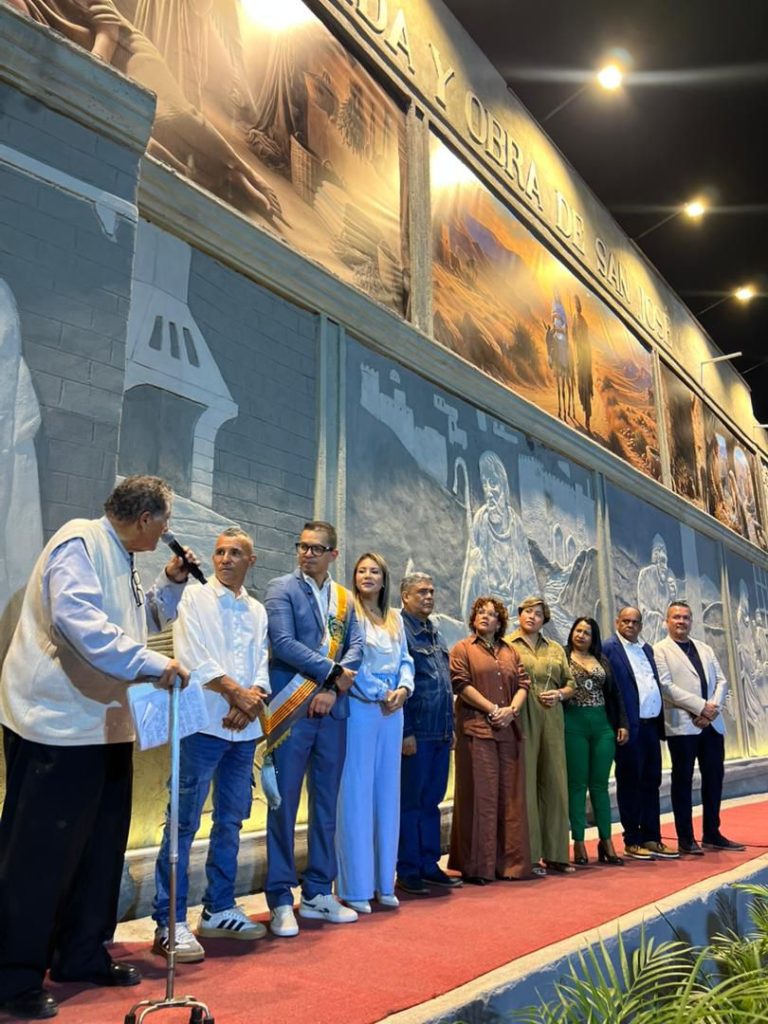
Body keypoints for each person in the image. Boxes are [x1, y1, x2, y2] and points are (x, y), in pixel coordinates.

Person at [0, 476, 193, 1021]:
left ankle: (80, 953)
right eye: (165, 523)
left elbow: (133, 624)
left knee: (98, 850)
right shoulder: (79, 541)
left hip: (104, 725)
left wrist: (169, 586)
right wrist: (154, 665)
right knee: (39, 857)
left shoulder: (121, 554)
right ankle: (13, 976)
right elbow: (79, 624)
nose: (166, 533)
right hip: (56, 726)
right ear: (144, 518)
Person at [151, 528, 270, 962]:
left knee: (231, 821)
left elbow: (261, 661)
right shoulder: (194, 598)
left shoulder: (257, 609)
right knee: (182, 823)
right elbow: (194, 657)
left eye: (235, 552)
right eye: (220, 552)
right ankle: (169, 921)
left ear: (251, 561)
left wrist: (252, 698)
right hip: (203, 723)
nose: (224, 558)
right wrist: (237, 695)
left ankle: (219, 908)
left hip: (243, 730)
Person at [263, 522, 364, 937]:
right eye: (302, 546)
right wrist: (333, 674)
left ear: (333, 554)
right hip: (292, 711)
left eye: (316, 548)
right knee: (282, 805)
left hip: (332, 713)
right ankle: (280, 897)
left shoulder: (345, 599)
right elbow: (283, 643)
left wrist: (333, 690)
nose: (307, 553)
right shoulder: (280, 588)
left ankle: (319, 891)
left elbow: (356, 646)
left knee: (325, 807)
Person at [335, 553, 414, 913]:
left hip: (393, 712)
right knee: (357, 794)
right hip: (361, 707)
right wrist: (379, 692)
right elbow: (350, 662)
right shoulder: (348, 613)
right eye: (362, 570)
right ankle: (355, 886)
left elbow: (406, 660)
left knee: (387, 794)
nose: (367, 575)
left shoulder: (395, 618)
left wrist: (403, 689)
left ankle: (384, 881)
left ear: (384, 579)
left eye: (375, 571)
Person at [448, 597, 531, 885]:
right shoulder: (462, 648)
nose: (485, 617)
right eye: (480, 612)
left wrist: (511, 711)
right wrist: (493, 709)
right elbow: (460, 683)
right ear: (473, 618)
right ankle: (478, 866)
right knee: (481, 798)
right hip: (477, 731)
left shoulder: (510, 651)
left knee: (510, 797)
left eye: (492, 614)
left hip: (508, 730)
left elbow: (523, 684)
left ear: (500, 622)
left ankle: (510, 865)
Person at [654, 601, 744, 855]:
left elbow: (722, 681)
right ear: (667, 621)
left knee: (714, 779)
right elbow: (666, 687)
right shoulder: (660, 650)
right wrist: (701, 707)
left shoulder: (704, 648)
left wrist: (712, 709)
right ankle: (686, 839)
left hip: (711, 724)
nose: (681, 621)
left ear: (691, 621)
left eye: (685, 617)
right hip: (684, 725)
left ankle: (712, 833)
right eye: (676, 617)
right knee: (683, 781)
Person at [397, 572, 461, 895]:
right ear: (405, 596)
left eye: (431, 592)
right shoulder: (400, 631)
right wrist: (406, 731)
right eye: (421, 592)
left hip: (439, 731)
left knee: (432, 801)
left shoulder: (434, 631)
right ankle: (408, 869)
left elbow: (443, 683)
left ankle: (428, 863)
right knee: (411, 802)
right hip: (417, 732)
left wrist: (451, 727)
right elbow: (402, 683)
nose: (429, 597)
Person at [603, 608, 678, 861]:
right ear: (617, 622)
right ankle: (632, 840)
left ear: (641, 625)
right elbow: (610, 692)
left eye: (635, 622)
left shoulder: (647, 649)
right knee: (630, 783)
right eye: (626, 621)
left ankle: (651, 837)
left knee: (651, 782)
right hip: (628, 728)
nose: (630, 625)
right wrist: (618, 723)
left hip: (650, 727)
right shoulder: (609, 648)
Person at [507, 596, 574, 875]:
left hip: (552, 716)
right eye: (527, 611)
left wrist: (560, 694)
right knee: (526, 783)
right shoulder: (508, 645)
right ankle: (531, 855)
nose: (531, 616)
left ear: (544, 618)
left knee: (555, 782)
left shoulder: (555, 648)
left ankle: (557, 853)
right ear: (519, 614)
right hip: (522, 714)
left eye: (537, 613)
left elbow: (570, 683)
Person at [563, 617, 628, 866]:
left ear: (594, 637)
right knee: (577, 785)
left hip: (602, 727)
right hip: (573, 725)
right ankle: (579, 842)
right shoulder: (562, 657)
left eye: (587, 632)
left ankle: (606, 841)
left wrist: (622, 723)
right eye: (578, 630)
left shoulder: (602, 659)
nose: (581, 635)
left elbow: (615, 694)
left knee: (600, 785)